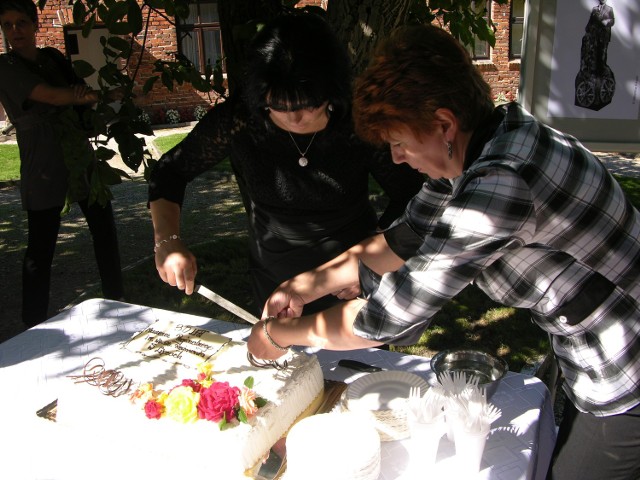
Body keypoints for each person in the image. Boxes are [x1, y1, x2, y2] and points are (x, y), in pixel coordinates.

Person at [248, 24, 640, 479]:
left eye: (398, 142)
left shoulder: (499, 183)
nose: (395, 158)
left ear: (444, 125)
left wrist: (278, 336)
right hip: (587, 351)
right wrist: (304, 284)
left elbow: (388, 319)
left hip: (624, 364)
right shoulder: (484, 148)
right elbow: (405, 236)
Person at [148, 12, 424, 315]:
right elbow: (170, 171)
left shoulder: (357, 125)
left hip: (350, 276)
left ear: (331, 91)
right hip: (272, 274)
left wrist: (374, 259)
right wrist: (167, 241)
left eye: (307, 104)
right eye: (278, 105)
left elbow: (413, 195)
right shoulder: (241, 121)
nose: (293, 118)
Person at [0, 0, 124, 327]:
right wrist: (100, 95)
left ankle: (118, 302)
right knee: (41, 247)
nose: (15, 31)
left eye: (22, 22)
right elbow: (55, 96)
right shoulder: (5, 66)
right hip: (42, 159)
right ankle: (33, 325)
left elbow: (76, 90)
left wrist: (93, 105)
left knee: (104, 229)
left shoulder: (53, 57)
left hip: (77, 153)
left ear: (35, 24)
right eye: (8, 24)